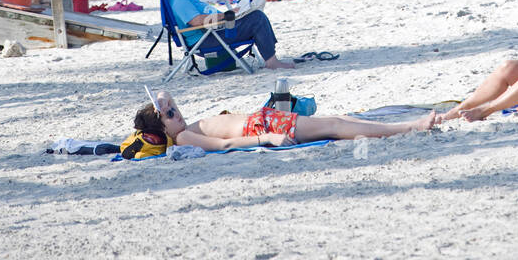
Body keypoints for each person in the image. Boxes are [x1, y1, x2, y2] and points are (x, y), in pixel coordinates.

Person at [123, 89, 437, 155]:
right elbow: (225, 143)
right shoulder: (183, 139)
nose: (177, 112)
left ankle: (408, 124)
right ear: (163, 129)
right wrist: (267, 139)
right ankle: (409, 127)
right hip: (260, 129)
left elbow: (165, 93)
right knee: (335, 126)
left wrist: (162, 100)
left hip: (262, 120)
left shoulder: (182, 127)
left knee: (336, 120)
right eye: (170, 115)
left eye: (174, 108)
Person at [160, 0, 295, 70]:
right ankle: (272, 61)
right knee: (257, 18)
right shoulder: (179, 0)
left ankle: (270, 56)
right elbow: (196, 21)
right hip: (206, 39)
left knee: (255, 13)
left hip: (213, 30)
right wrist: (227, 15)